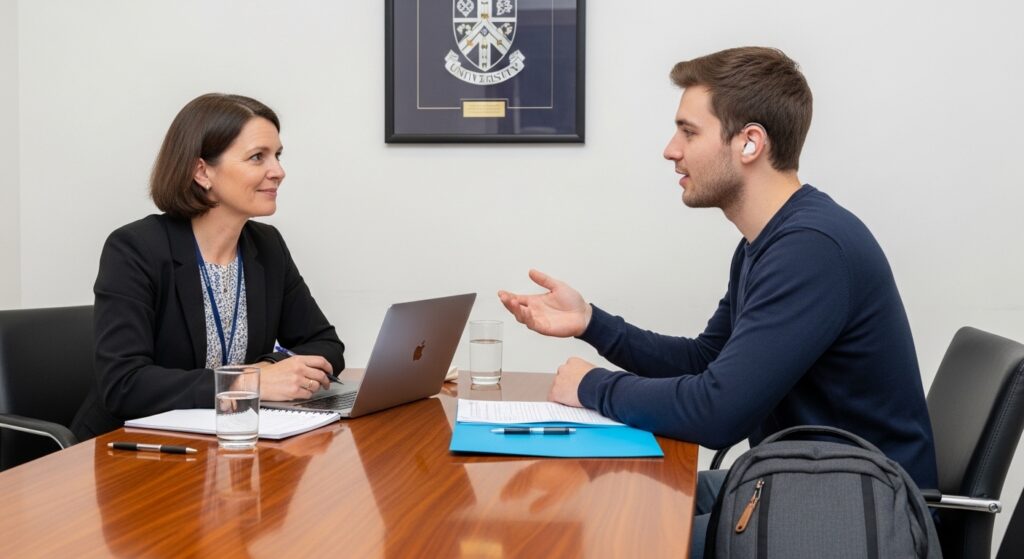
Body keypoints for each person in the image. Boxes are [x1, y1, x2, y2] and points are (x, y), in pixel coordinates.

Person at [497, 47, 938, 557]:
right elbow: (707, 362)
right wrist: (591, 323)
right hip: (802, 482)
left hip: (861, 515)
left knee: (613, 536)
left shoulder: (812, 249)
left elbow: (717, 412)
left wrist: (592, 386)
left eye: (689, 132)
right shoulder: (769, 242)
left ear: (750, 142)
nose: (670, 149)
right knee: (601, 495)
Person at [72, 94, 345, 440]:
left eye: (277, 155)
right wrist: (249, 381)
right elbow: (125, 384)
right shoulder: (135, 249)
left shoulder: (267, 246)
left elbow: (326, 344)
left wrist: (270, 371)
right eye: (258, 157)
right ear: (202, 171)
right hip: (132, 450)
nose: (278, 171)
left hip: (222, 443)